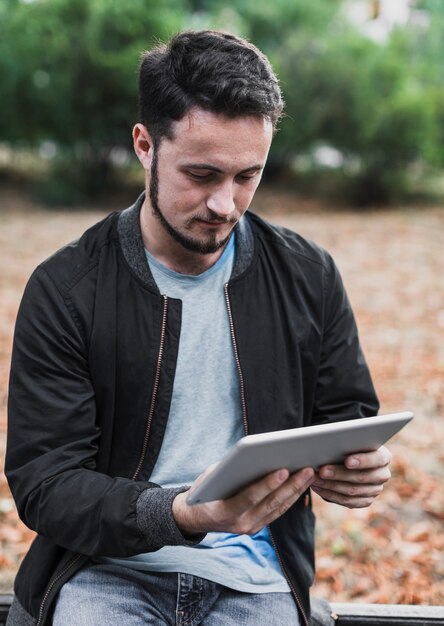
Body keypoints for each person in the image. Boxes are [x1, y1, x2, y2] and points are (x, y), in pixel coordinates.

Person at [5, 30, 391, 626]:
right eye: (202, 174)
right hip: (106, 572)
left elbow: (347, 417)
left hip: (257, 577)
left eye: (247, 176)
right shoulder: (67, 288)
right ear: (144, 145)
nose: (225, 204)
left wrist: (358, 468)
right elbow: (46, 482)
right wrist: (181, 515)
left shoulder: (308, 274)